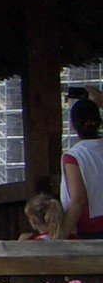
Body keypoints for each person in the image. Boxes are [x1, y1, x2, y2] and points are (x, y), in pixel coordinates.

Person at [61, 93, 103, 238]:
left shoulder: (74, 156)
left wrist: (59, 236)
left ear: (72, 125)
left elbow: (78, 200)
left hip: (92, 228)